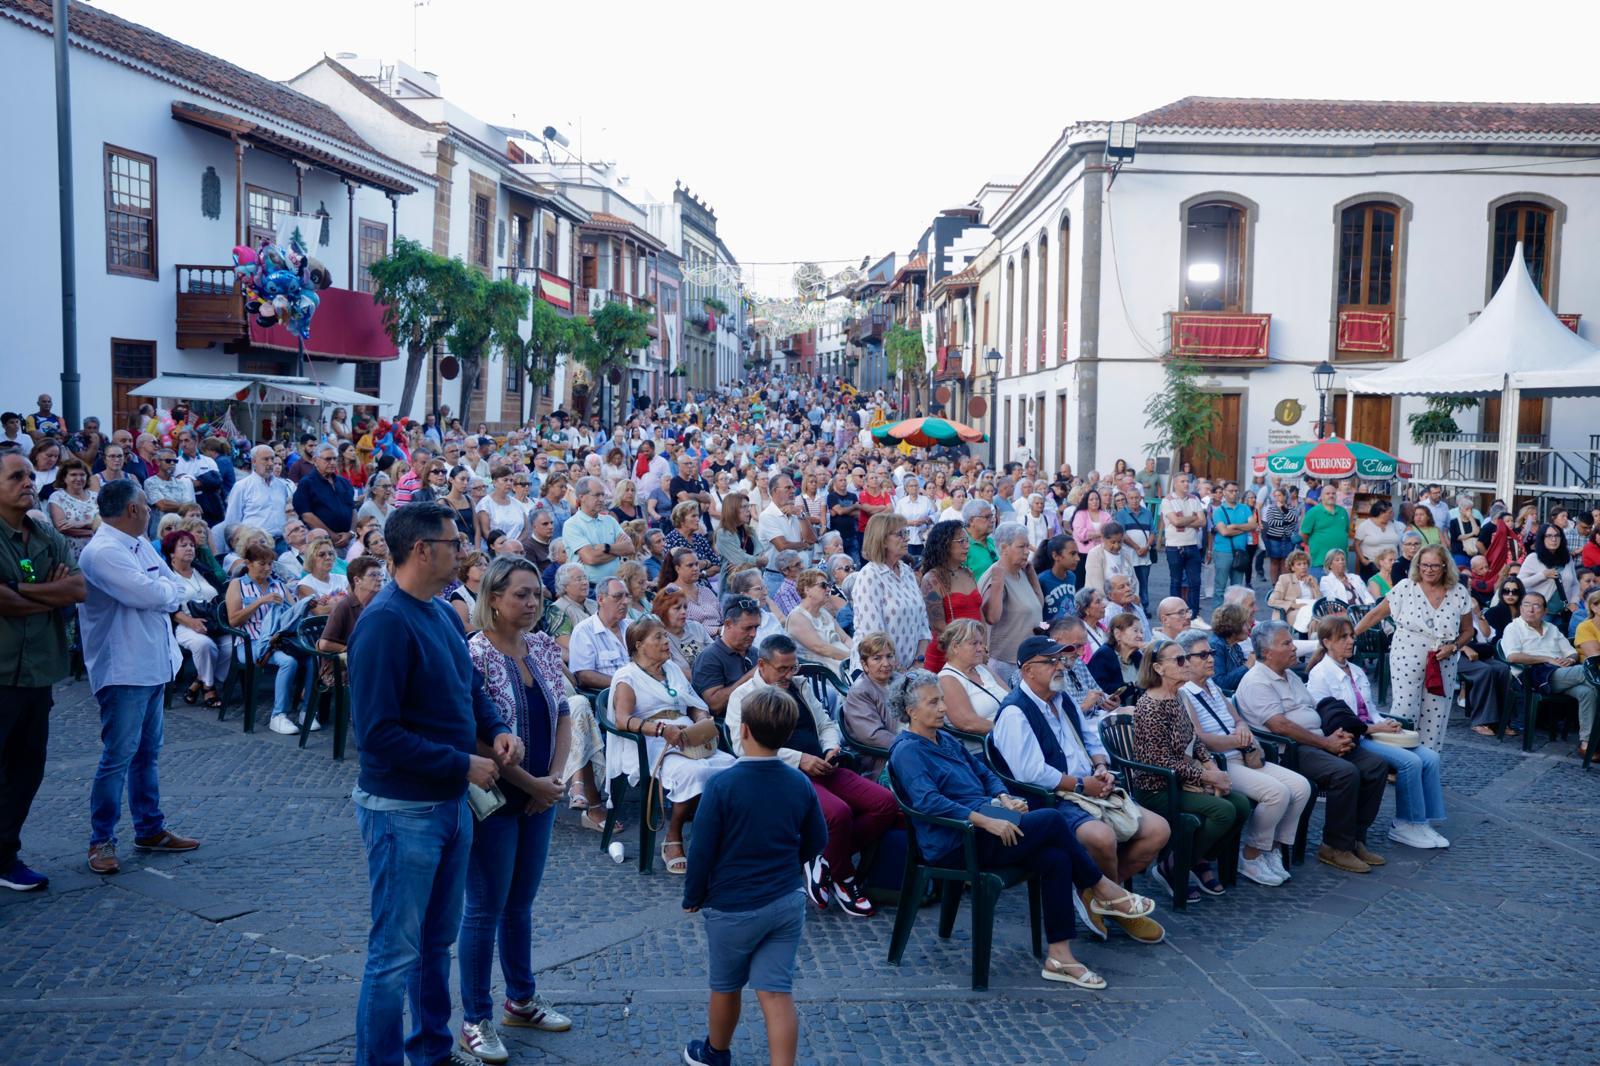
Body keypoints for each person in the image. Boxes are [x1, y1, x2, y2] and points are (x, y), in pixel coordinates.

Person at [345, 501, 522, 1066]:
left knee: (434, 945)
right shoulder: (383, 622)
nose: (463, 553)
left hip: (447, 807)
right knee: (393, 955)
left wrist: (494, 730)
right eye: (453, 544)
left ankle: (432, 1050)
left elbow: (469, 689)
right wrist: (460, 764)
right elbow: (376, 736)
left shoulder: (445, 613)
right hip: (403, 811)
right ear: (422, 550)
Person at [889, 670, 1159, 988]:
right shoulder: (907, 750)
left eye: (942, 700)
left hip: (987, 825)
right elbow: (928, 802)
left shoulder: (944, 738)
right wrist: (986, 819)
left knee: (1056, 858)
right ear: (911, 711)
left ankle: (1060, 956)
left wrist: (1003, 797)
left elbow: (984, 772)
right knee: (1052, 819)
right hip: (956, 840)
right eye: (934, 702)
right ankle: (1101, 888)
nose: (943, 708)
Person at [456, 557, 575, 1062]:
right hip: (498, 798)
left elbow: (565, 711)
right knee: (484, 907)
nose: (531, 604)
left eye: (537, 596)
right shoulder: (475, 654)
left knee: (520, 902)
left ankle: (520, 997)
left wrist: (555, 779)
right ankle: (475, 1017)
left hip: (541, 793)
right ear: (495, 599)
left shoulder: (544, 646)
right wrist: (531, 783)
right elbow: (478, 735)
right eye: (521, 595)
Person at [989, 635, 1170, 941]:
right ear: (1029, 669)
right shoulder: (1014, 711)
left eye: (1061, 660)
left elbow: (1091, 738)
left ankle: (1096, 896)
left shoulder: (1063, 698)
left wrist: (1100, 766)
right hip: (1051, 799)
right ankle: (1117, 902)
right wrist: (1082, 784)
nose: (1060, 666)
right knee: (1101, 837)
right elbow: (1029, 772)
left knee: (1159, 830)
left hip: (1089, 786)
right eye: (1052, 661)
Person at [682, 686, 826, 1066]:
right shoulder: (800, 783)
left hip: (733, 906)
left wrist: (693, 895)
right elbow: (817, 840)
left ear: (742, 731)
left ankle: (715, 1052)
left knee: (726, 987)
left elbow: (701, 850)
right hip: (785, 901)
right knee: (777, 992)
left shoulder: (722, 785)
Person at [77, 480, 201, 876]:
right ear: (132, 510)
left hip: (151, 664)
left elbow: (171, 586)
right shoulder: (103, 552)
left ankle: (150, 828)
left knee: (147, 754)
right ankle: (101, 840)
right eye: (146, 506)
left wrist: (164, 589)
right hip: (123, 668)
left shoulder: (139, 544)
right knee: (118, 756)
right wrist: (165, 590)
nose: (150, 511)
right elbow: (155, 594)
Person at [726, 635, 896, 918]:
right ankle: (845, 879)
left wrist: (830, 747)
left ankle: (824, 859)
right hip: (782, 775)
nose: (789, 674)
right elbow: (742, 746)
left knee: (885, 803)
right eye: (782, 669)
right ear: (762, 665)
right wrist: (800, 759)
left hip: (824, 766)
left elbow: (826, 723)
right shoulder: (743, 697)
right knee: (838, 814)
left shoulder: (799, 685)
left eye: (793, 667)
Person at [1234, 621, 1389, 874]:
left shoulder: (1291, 675)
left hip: (1318, 739)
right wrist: (1326, 743)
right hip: (1290, 750)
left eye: (1292, 641)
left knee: (1375, 766)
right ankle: (1334, 846)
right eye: (1286, 643)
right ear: (1267, 652)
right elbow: (1279, 726)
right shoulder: (1256, 681)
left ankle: (1355, 839)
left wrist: (1335, 735)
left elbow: (1312, 709)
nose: (1294, 647)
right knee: (1345, 773)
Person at [0, 451, 85, 891]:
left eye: (31, 475)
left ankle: (5, 855)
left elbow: (78, 588)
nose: (28, 481)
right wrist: (46, 592)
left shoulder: (46, 533)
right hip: (0, 673)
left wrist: (22, 589)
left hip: (38, 673)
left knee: (26, 769)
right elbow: (3, 602)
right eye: (17, 476)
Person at [1175, 630, 1308, 887]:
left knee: (1300, 787)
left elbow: (1236, 718)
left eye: (1211, 653)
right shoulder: (1185, 693)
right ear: (1185, 661)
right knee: (1277, 793)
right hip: (1221, 762)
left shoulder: (1211, 685)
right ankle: (1251, 854)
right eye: (1202, 655)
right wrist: (1238, 740)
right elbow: (1199, 737)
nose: (1211, 659)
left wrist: (1242, 729)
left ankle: (1271, 849)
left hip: (1243, 755)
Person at [608, 617, 737, 874]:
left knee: (734, 769)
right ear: (639, 644)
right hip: (651, 743)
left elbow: (695, 704)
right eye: (658, 637)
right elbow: (622, 720)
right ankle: (673, 836)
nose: (666, 642)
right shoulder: (627, 677)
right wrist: (661, 730)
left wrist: (702, 723)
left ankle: (716, 834)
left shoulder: (672, 670)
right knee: (695, 773)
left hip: (688, 736)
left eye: (666, 636)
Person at [1308, 616, 1448, 849]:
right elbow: (1333, 721)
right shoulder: (1320, 674)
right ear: (1326, 642)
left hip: (1374, 732)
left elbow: (1370, 710)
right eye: (1343, 637)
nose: (1351, 641)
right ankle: (1405, 824)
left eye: (1352, 636)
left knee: (1431, 757)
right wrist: (1374, 728)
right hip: (1354, 738)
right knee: (1410, 762)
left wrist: (1387, 723)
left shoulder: (1356, 670)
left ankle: (1422, 822)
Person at [1128, 637, 1251, 900]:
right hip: (1159, 787)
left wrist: (1210, 765)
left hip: (1183, 778)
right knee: (1224, 812)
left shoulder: (1178, 696)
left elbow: (1193, 740)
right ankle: (1173, 865)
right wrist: (1207, 775)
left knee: (1241, 805)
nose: (1186, 664)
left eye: (1186, 658)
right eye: (1179, 660)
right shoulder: (1150, 706)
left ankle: (1197, 857)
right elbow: (1158, 762)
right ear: (1159, 668)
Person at [1352, 545, 1474, 751]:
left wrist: (1454, 647)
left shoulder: (1458, 592)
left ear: (1445, 567)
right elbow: (1375, 615)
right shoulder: (1405, 587)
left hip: (1443, 658)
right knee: (1405, 708)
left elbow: (1468, 631)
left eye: (1435, 565)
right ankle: (1399, 758)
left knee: (1436, 711)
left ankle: (1428, 758)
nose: (1429, 569)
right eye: (1424, 565)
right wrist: (1348, 636)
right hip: (1407, 652)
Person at [1500, 590, 1598, 760]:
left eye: (1536, 605)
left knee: (1587, 691)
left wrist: (1569, 659)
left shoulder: (1551, 628)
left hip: (1559, 674)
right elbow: (1513, 656)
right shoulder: (1513, 627)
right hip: (1532, 675)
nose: (1531, 609)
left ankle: (1586, 743)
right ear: (1521, 608)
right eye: (1526, 605)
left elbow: (1571, 653)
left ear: (1545, 611)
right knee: (1587, 671)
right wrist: (1546, 659)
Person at [225, 543, 310, 735]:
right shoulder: (237, 585)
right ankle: (278, 715)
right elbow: (233, 620)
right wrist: (260, 601)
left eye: (270, 564)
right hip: (250, 642)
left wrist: (302, 606)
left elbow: (293, 611)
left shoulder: (278, 584)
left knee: (313, 657)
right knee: (288, 662)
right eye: (262, 564)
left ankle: (307, 709)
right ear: (248, 563)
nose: (267, 568)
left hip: (279, 640)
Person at [852, 512, 930, 672]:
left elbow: (923, 625)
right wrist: (900, 673)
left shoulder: (907, 571)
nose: (907, 538)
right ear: (882, 539)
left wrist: (918, 663)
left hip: (912, 670)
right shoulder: (870, 576)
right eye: (901, 534)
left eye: (906, 533)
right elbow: (874, 637)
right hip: (877, 674)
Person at [165, 529, 232, 708]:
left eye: (192, 545)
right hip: (183, 623)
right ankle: (209, 687)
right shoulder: (167, 576)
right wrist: (190, 622)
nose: (189, 549)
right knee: (204, 645)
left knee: (233, 644)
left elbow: (221, 594)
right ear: (171, 551)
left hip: (213, 622)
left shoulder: (202, 570)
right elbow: (165, 607)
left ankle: (198, 681)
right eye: (183, 545)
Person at [979, 523, 1045, 686]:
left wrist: (1032, 575)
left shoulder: (1022, 571)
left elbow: (1038, 606)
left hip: (1027, 658)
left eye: (1027, 546)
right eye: (1021, 547)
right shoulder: (996, 575)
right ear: (1004, 548)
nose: (1026, 551)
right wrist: (997, 582)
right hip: (1006, 663)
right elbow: (991, 617)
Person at [919, 519, 982, 673]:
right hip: (947, 656)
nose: (967, 546)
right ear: (945, 544)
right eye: (961, 541)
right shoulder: (932, 579)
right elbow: (939, 626)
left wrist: (982, 647)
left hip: (972, 651)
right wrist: (971, 649)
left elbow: (980, 615)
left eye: (967, 540)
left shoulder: (968, 573)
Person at [936, 618, 1011, 734]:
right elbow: (968, 723)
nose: (981, 649)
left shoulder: (982, 668)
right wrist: (1011, 730)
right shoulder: (947, 679)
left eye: (981, 643)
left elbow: (1012, 698)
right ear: (955, 647)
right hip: (985, 745)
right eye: (974, 643)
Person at [692, 598, 762, 718]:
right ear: (728, 624)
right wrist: (753, 675)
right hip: (731, 727)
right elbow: (715, 705)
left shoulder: (755, 653)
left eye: (756, 627)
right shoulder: (709, 657)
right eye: (747, 628)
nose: (753, 634)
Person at [569, 576, 632, 692]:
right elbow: (584, 676)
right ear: (601, 599)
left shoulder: (632, 626)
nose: (625, 601)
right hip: (611, 696)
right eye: (618, 596)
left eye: (627, 596)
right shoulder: (584, 631)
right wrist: (625, 685)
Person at [756, 474, 815, 597]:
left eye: (793, 488)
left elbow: (812, 539)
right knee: (781, 616)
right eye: (788, 488)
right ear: (774, 491)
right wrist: (805, 545)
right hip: (776, 578)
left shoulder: (795, 513)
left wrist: (800, 514)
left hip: (798, 575)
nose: (793, 491)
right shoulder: (767, 515)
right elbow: (783, 546)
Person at [294, 443, 357, 549]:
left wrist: (350, 533)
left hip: (348, 541)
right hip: (322, 543)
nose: (332, 462)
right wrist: (332, 536)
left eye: (334, 459)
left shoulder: (343, 482)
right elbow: (307, 515)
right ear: (315, 461)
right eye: (328, 459)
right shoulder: (307, 483)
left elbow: (353, 510)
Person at [318, 556, 384, 655]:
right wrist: (353, 650)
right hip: (345, 664)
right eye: (373, 575)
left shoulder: (380, 603)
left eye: (380, 574)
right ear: (357, 580)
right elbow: (324, 644)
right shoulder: (344, 606)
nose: (379, 579)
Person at [785, 569, 849, 670]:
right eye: (823, 585)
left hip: (843, 662)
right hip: (824, 672)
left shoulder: (824, 613)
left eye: (829, 585)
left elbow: (845, 639)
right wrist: (852, 658)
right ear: (807, 590)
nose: (828, 589)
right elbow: (821, 648)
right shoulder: (797, 617)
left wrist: (859, 653)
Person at [1161, 474, 1205, 614]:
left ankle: (1194, 613)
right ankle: (1175, 612)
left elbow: (1203, 522)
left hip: (1192, 545)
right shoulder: (1167, 500)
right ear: (1175, 484)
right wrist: (1193, 518)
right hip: (1174, 546)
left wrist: (1184, 520)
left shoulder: (1194, 499)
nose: (1186, 484)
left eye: (1187, 481)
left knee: (1195, 582)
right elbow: (1176, 522)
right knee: (1176, 581)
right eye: (1183, 481)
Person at [1517, 523, 1579, 622]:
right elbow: (1519, 583)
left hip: (1563, 613)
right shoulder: (1533, 558)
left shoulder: (1567, 559)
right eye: (1549, 536)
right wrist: (1543, 575)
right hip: (1540, 613)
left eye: (1557, 535)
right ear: (1542, 538)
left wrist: (1574, 602)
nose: (1554, 539)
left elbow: (1575, 584)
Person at [1087, 613, 1145, 706]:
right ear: (1118, 634)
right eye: (1135, 631)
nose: (1140, 636)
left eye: (1142, 632)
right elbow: (1101, 689)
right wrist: (1132, 686)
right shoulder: (1103, 656)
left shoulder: (1138, 656)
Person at [714, 492, 766, 575]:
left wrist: (747, 565)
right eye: (744, 507)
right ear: (732, 509)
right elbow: (739, 559)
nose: (748, 509)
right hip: (734, 584)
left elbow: (763, 556)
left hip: (756, 579)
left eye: (748, 506)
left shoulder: (750, 530)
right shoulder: (723, 534)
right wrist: (757, 562)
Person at [1269, 550, 1319, 633]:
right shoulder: (1285, 579)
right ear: (1292, 567)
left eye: (1305, 563)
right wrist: (1294, 605)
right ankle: (1314, 642)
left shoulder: (1312, 579)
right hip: (1293, 612)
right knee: (1315, 621)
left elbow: (1320, 601)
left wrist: (1315, 586)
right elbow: (1272, 601)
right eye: (1299, 564)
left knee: (1320, 620)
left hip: (1312, 611)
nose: (1303, 567)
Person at [449, 551, 488, 632]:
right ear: (466, 570)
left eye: (486, 565)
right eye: (478, 564)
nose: (484, 568)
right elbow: (463, 626)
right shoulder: (459, 595)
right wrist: (491, 631)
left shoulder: (491, 592)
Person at [962, 498, 998, 580]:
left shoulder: (991, 542)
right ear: (971, 521)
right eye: (987, 517)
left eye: (992, 516)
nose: (993, 520)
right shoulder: (962, 546)